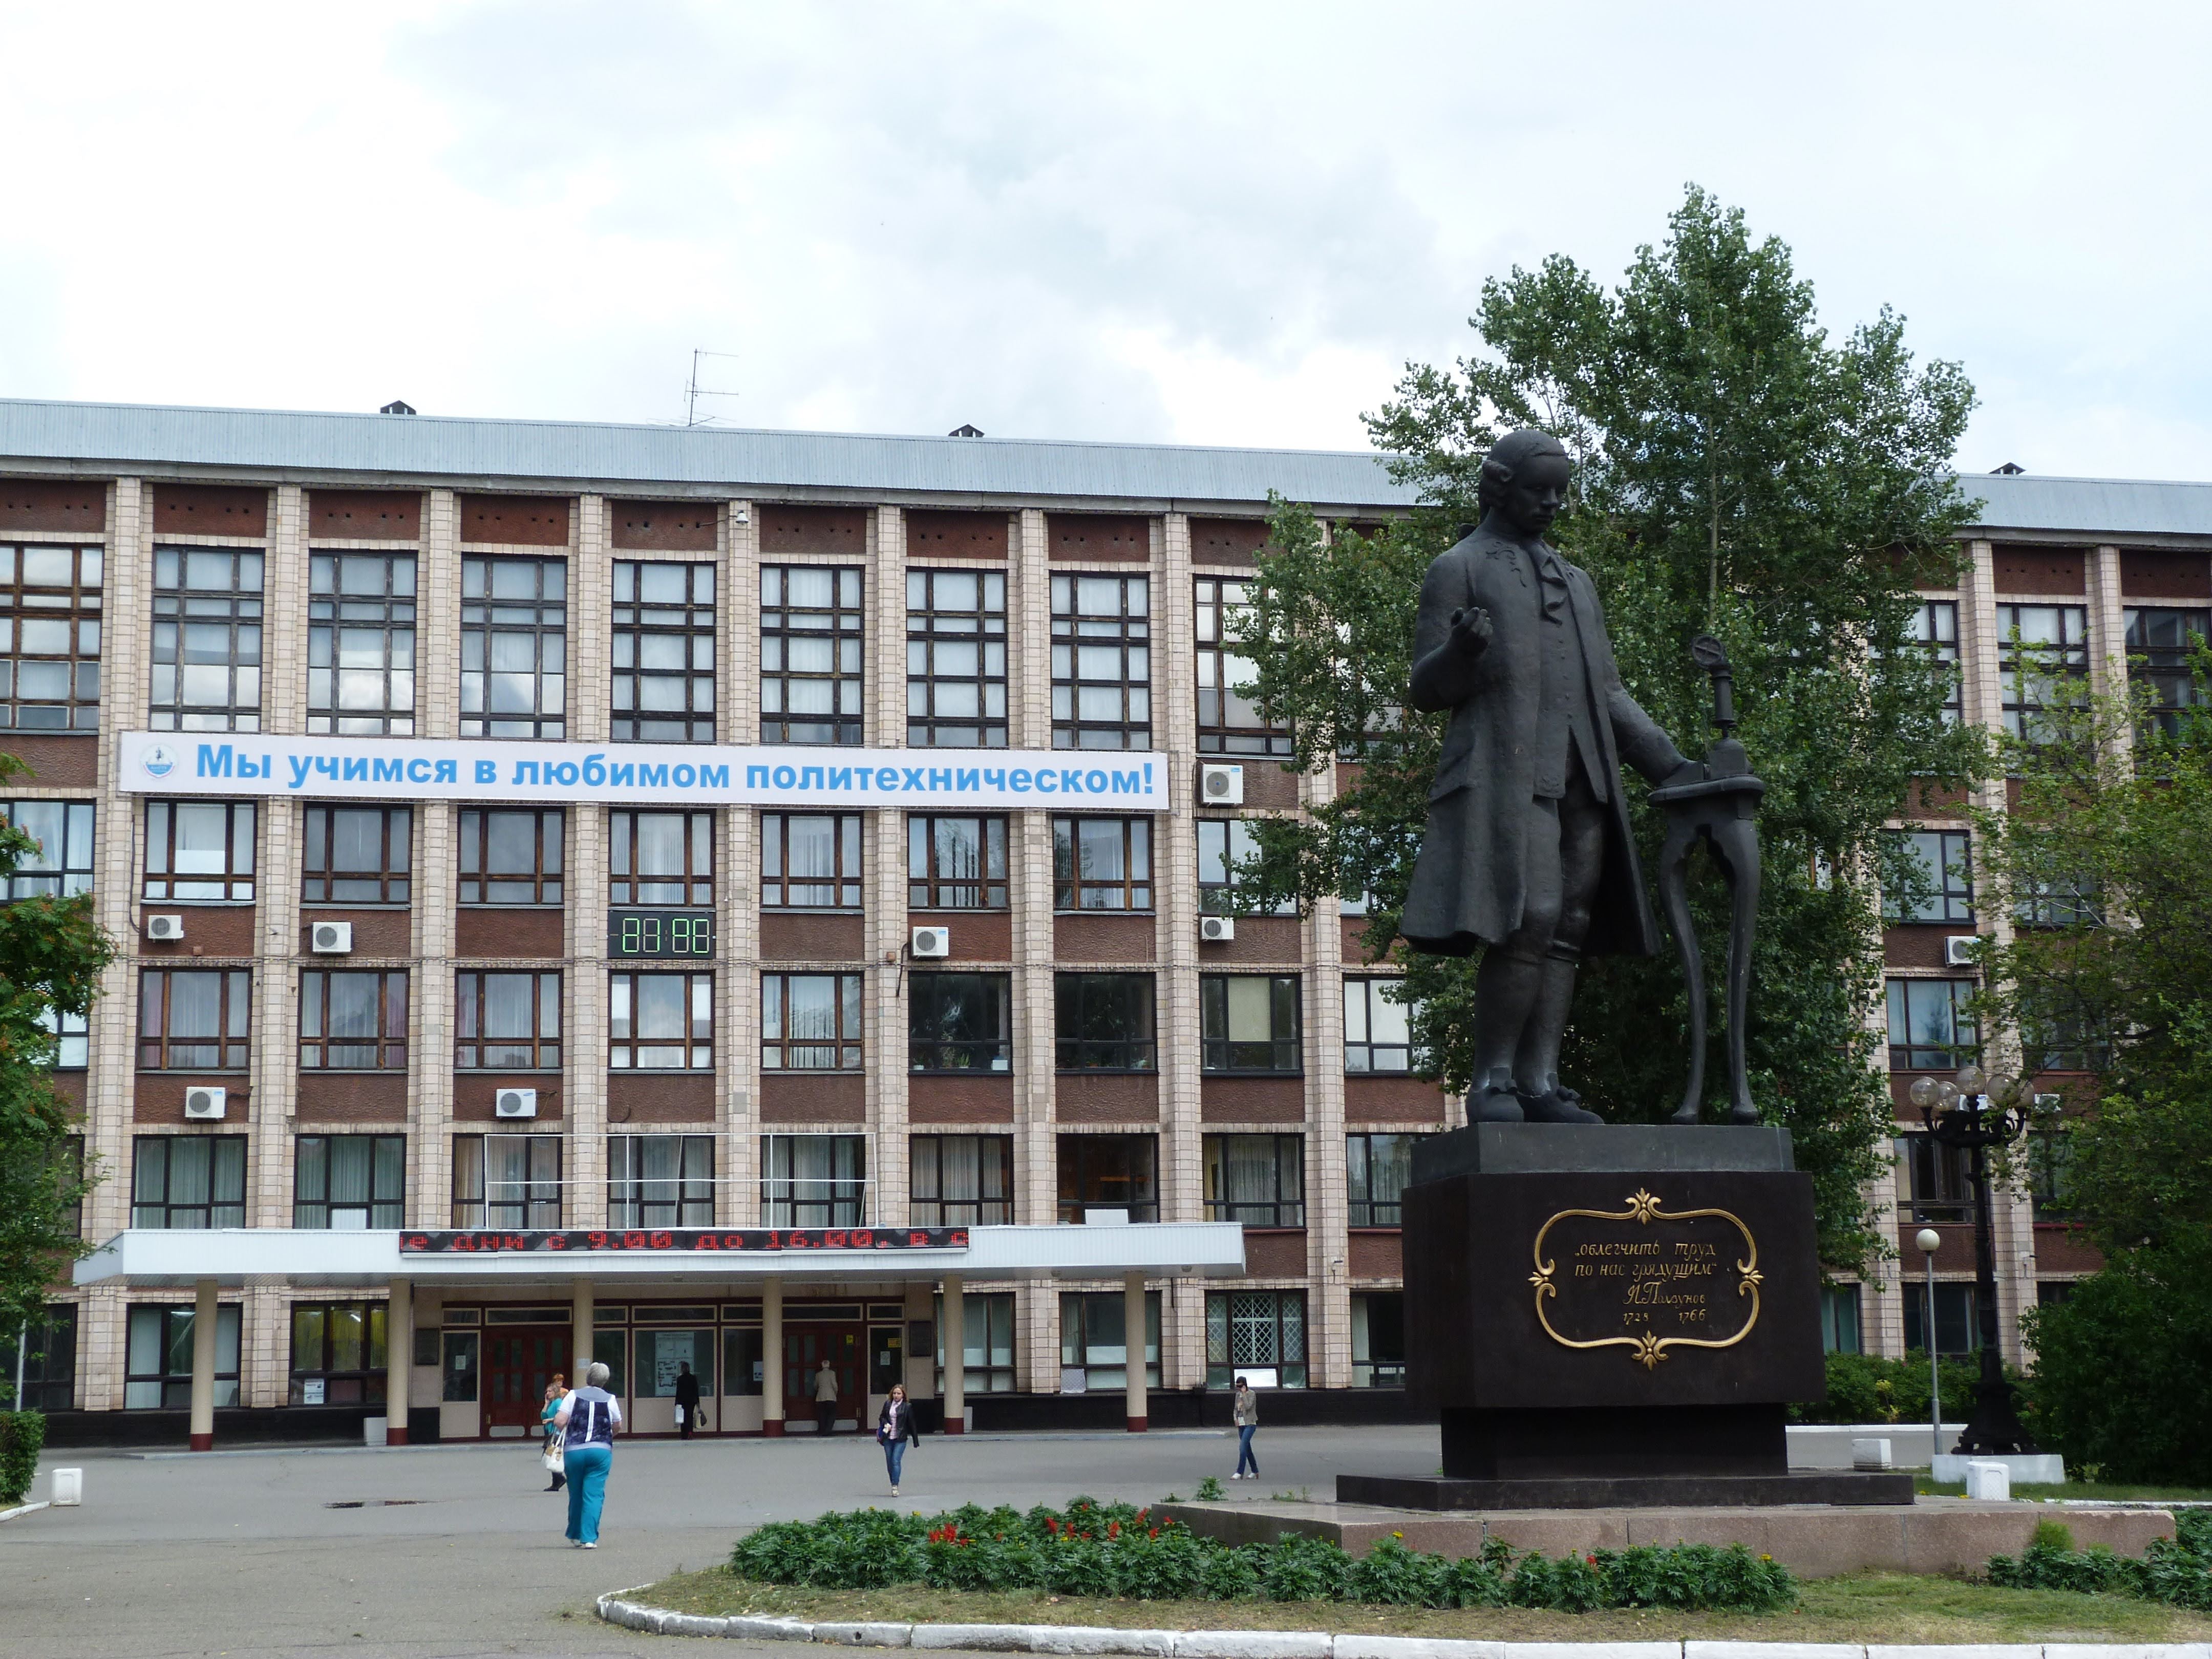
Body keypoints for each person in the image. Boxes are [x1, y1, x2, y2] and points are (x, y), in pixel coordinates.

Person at [1400, 429, 1698, 1124]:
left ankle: (1540, 1082)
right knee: (1526, 920)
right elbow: (1423, 689)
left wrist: (1674, 766)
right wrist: (1459, 652)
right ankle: (1493, 1081)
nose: (1553, 503)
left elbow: (1610, 694)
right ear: (1500, 487)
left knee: (1568, 925)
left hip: (1584, 781)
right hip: (1509, 779)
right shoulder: (1458, 567)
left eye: (1561, 492)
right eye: (1540, 490)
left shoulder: (1578, 582)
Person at [554, 1359, 623, 1548]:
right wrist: (608, 1435)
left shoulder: (573, 1396)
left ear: (588, 1377)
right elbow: (617, 1425)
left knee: (576, 1493)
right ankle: (589, 1538)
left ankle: (575, 1535)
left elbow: (560, 1421)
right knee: (594, 1494)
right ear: (605, 1381)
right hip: (600, 1451)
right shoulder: (610, 1399)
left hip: (574, 1450)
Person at [875, 1381, 921, 1497]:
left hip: (900, 1438)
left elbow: (912, 1423)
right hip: (888, 1438)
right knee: (890, 1463)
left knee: (896, 1461)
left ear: (903, 1395)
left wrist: (915, 1440)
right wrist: (886, 1423)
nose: (896, 1396)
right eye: (895, 1393)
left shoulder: (907, 1407)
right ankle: (893, 1482)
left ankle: (895, 1486)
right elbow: (882, 1417)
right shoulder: (888, 1404)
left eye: (899, 1393)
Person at [539, 1374, 567, 1491]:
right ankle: (556, 1481)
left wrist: (550, 1420)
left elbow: (561, 1415)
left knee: (551, 1455)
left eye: (550, 1391)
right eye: (547, 1391)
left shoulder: (558, 1402)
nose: (548, 1393)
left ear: (555, 1392)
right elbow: (543, 1416)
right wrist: (546, 1403)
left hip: (557, 1433)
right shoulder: (551, 1403)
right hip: (550, 1432)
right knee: (549, 1456)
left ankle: (559, 1479)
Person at [1230, 1376, 1259, 1480]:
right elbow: (1235, 1409)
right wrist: (1235, 1419)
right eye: (1237, 1387)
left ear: (1245, 1385)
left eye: (1241, 1386)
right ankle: (1255, 1471)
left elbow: (1248, 1407)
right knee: (1247, 1449)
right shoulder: (1238, 1395)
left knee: (1242, 1447)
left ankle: (1239, 1472)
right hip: (1241, 1424)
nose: (1239, 1389)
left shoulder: (1251, 1394)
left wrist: (1244, 1395)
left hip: (1250, 1424)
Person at [674, 1360, 701, 1440]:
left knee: (682, 1418)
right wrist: (698, 1402)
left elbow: (678, 1392)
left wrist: (676, 1402)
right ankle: (690, 1432)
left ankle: (684, 1435)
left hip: (682, 1401)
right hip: (691, 1401)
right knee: (690, 1417)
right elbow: (696, 1390)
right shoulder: (693, 1378)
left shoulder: (680, 1379)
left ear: (682, 1369)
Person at [813, 1356, 840, 1435]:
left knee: (822, 1415)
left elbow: (815, 1386)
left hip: (820, 1398)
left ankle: (822, 1431)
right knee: (831, 1415)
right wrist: (835, 1393)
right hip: (831, 1397)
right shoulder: (832, 1373)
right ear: (829, 1365)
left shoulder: (818, 1375)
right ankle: (828, 1431)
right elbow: (835, 1385)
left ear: (822, 1365)